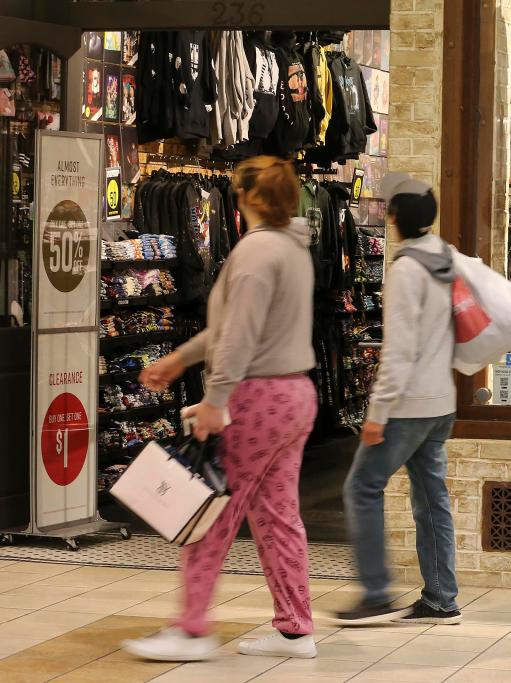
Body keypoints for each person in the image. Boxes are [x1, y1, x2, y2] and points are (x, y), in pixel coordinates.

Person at [122, 156, 319, 661]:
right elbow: (233, 329)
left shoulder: (256, 251)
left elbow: (238, 336)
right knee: (277, 515)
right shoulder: (293, 248)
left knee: (211, 511)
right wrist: (179, 359)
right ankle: (295, 628)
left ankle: (191, 629)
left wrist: (215, 399)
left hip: (256, 396)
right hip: (294, 393)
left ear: (250, 198)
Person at [333, 173, 461, 626]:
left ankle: (374, 594)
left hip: (407, 406)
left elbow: (399, 350)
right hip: (441, 401)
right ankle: (442, 598)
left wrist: (377, 412)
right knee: (431, 498)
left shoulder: (406, 270)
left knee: (362, 488)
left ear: (394, 218)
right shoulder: (446, 259)